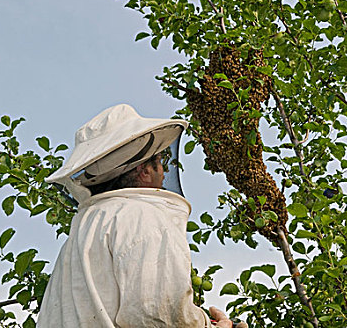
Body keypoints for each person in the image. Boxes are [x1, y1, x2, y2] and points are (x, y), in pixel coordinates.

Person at [37, 104, 243, 328]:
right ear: (144, 171)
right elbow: (160, 316)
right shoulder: (143, 216)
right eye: (160, 164)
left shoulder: (84, 230)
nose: (165, 173)